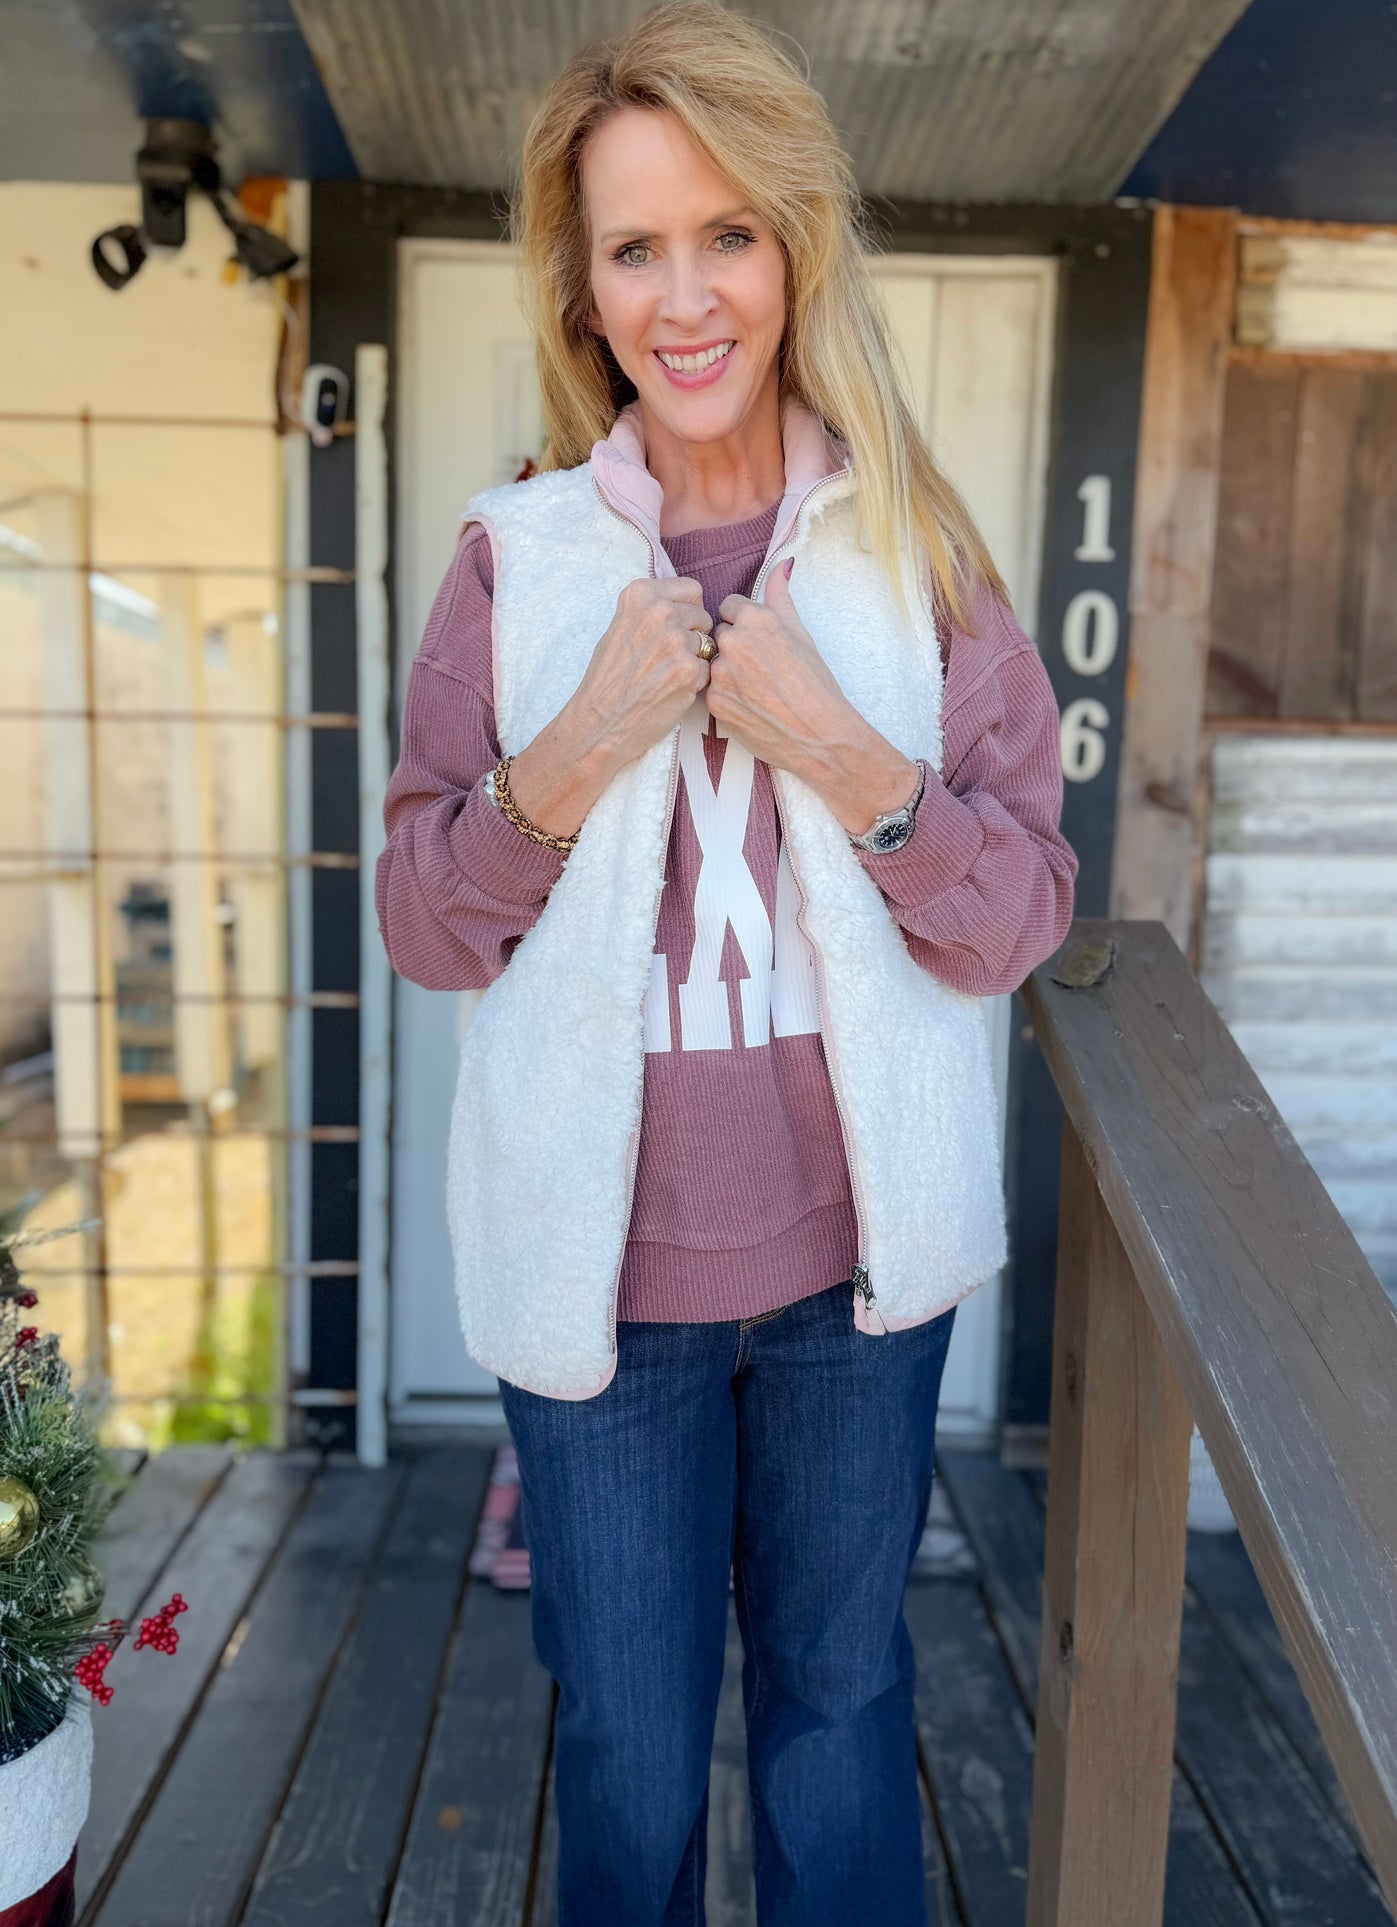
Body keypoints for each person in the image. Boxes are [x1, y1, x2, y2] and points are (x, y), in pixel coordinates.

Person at [377, 4, 1077, 1919]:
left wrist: (846, 755)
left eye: (727, 235)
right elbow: (425, 922)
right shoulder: (513, 566)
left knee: (842, 1714)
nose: (685, 297)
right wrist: (576, 751)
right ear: (582, 289)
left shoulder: (916, 556)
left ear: (793, 250)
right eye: (632, 247)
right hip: (599, 1283)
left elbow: (1019, 912)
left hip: (861, 1275)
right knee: (618, 1729)